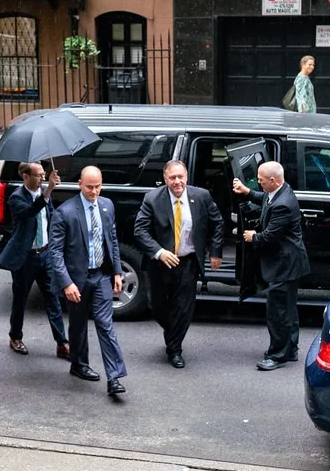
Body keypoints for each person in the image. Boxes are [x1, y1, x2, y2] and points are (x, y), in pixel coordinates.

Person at [133, 159, 224, 368]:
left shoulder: (201, 196)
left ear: (186, 177)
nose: (177, 182)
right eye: (172, 177)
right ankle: (172, 330)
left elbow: (217, 223)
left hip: (188, 262)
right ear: (165, 179)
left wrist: (215, 252)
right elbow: (140, 230)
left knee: (183, 308)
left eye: (180, 177)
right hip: (161, 264)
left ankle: (175, 350)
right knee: (157, 306)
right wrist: (159, 252)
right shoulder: (153, 198)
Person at [48, 166, 128, 396]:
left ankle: (114, 377)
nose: (94, 191)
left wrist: (116, 271)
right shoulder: (65, 212)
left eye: (98, 186)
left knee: (105, 324)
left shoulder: (107, 205)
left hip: (101, 275)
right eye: (90, 187)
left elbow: (111, 239)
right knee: (78, 323)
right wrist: (66, 283)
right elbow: (55, 252)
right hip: (76, 279)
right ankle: (79, 364)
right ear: (80, 184)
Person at [232, 162, 310, 371]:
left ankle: (277, 355)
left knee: (278, 312)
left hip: (284, 265)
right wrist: (248, 192)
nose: (258, 182)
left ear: (273, 180)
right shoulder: (280, 190)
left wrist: (252, 236)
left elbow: (270, 236)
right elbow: (264, 198)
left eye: (260, 180)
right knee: (288, 309)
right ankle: (290, 348)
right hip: (291, 263)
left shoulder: (283, 204)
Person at [0, 162, 70, 359]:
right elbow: (30, 212)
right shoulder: (16, 198)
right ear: (25, 177)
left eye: (43, 175)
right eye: (38, 175)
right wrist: (48, 193)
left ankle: (62, 342)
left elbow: (50, 217)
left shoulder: (44, 193)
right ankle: (15, 337)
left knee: (53, 298)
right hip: (26, 257)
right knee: (20, 299)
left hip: (45, 254)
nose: (42, 178)